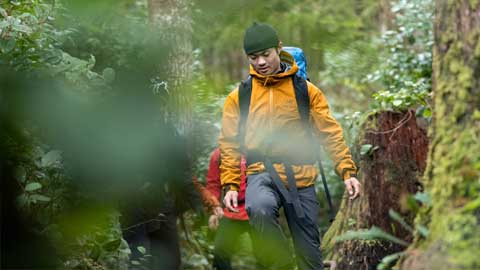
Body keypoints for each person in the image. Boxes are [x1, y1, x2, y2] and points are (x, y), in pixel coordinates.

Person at [219, 22, 361, 270]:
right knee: (258, 207)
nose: (261, 62)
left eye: (266, 54)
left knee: (310, 258)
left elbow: (329, 132)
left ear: (279, 49)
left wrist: (347, 171)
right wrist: (230, 184)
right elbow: (230, 144)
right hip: (260, 173)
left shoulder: (305, 91)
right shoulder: (239, 97)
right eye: (254, 57)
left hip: (301, 177)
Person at [203, 148, 252, 270]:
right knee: (220, 253)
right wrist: (214, 210)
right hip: (230, 211)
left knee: (267, 254)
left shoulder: (257, 148)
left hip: (257, 210)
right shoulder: (219, 154)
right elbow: (213, 183)